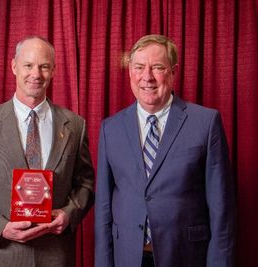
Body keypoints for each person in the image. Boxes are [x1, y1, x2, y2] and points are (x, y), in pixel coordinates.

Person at [94, 34, 236, 267]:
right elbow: (103, 209)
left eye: (157, 67)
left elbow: (222, 208)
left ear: (173, 71)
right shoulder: (111, 127)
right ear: (130, 71)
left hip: (185, 255)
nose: (147, 77)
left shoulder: (205, 122)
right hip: (127, 257)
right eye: (139, 67)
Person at [0, 36, 95, 267]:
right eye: (28, 65)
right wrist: (0, 227)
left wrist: (69, 214)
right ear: (14, 66)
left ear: (53, 70)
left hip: (56, 253)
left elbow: (86, 183)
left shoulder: (75, 125)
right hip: (4, 254)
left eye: (44, 66)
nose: (36, 74)